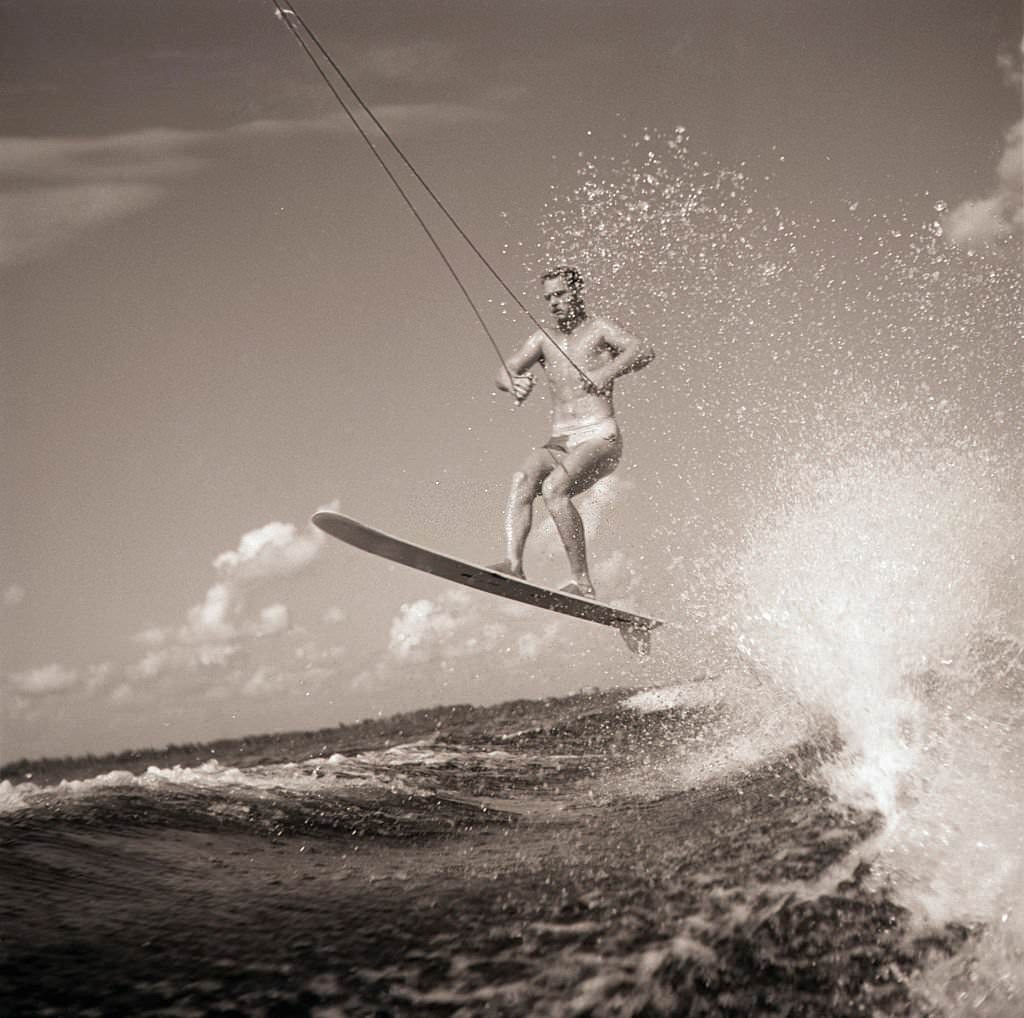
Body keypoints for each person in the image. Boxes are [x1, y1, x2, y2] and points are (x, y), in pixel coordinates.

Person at [492, 266, 655, 598]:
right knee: (522, 479)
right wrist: (512, 383)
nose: (554, 302)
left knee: (554, 487)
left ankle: (582, 582)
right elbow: (504, 369)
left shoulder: (599, 330)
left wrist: (607, 371)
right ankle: (513, 565)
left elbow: (643, 350)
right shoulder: (542, 340)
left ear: (577, 292)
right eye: (548, 297)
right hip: (561, 440)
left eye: (561, 294)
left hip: (599, 436)